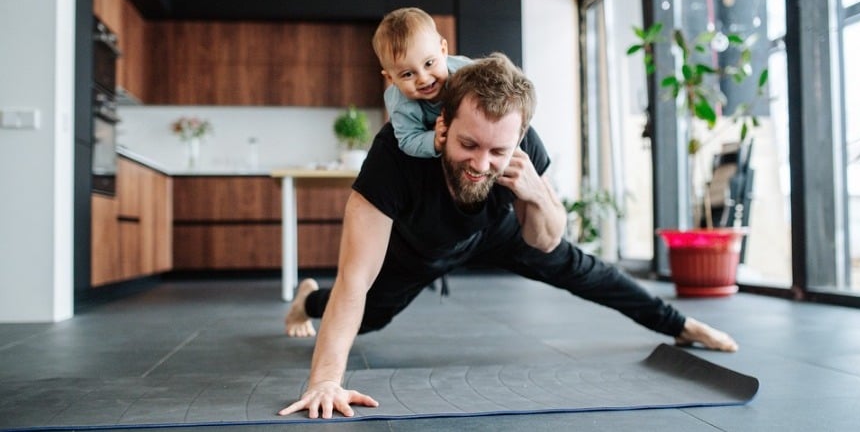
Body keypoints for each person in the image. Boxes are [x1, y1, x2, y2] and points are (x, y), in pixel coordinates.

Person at [280, 53, 738, 419]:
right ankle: (307, 300)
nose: (481, 164)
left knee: (583, 269)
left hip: (496, 231)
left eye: (498, 150)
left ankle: (679, 325)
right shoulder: (393, 157)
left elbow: (547, 241)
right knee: (370, 316)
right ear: (442, 125)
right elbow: (354, 280)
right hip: (419, 247)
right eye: (468, 145)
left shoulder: (525, 150)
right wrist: (324, 380)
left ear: (518, 139)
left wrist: (537, 193)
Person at [373, 6, 471, 158]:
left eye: (429, 63)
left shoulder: (466, 72)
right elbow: (408, 139)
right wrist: (434, 140)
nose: (423, 79)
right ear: (391, 79)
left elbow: (494, 82)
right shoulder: (402, 105)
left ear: (443, 50)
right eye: (408, 74)